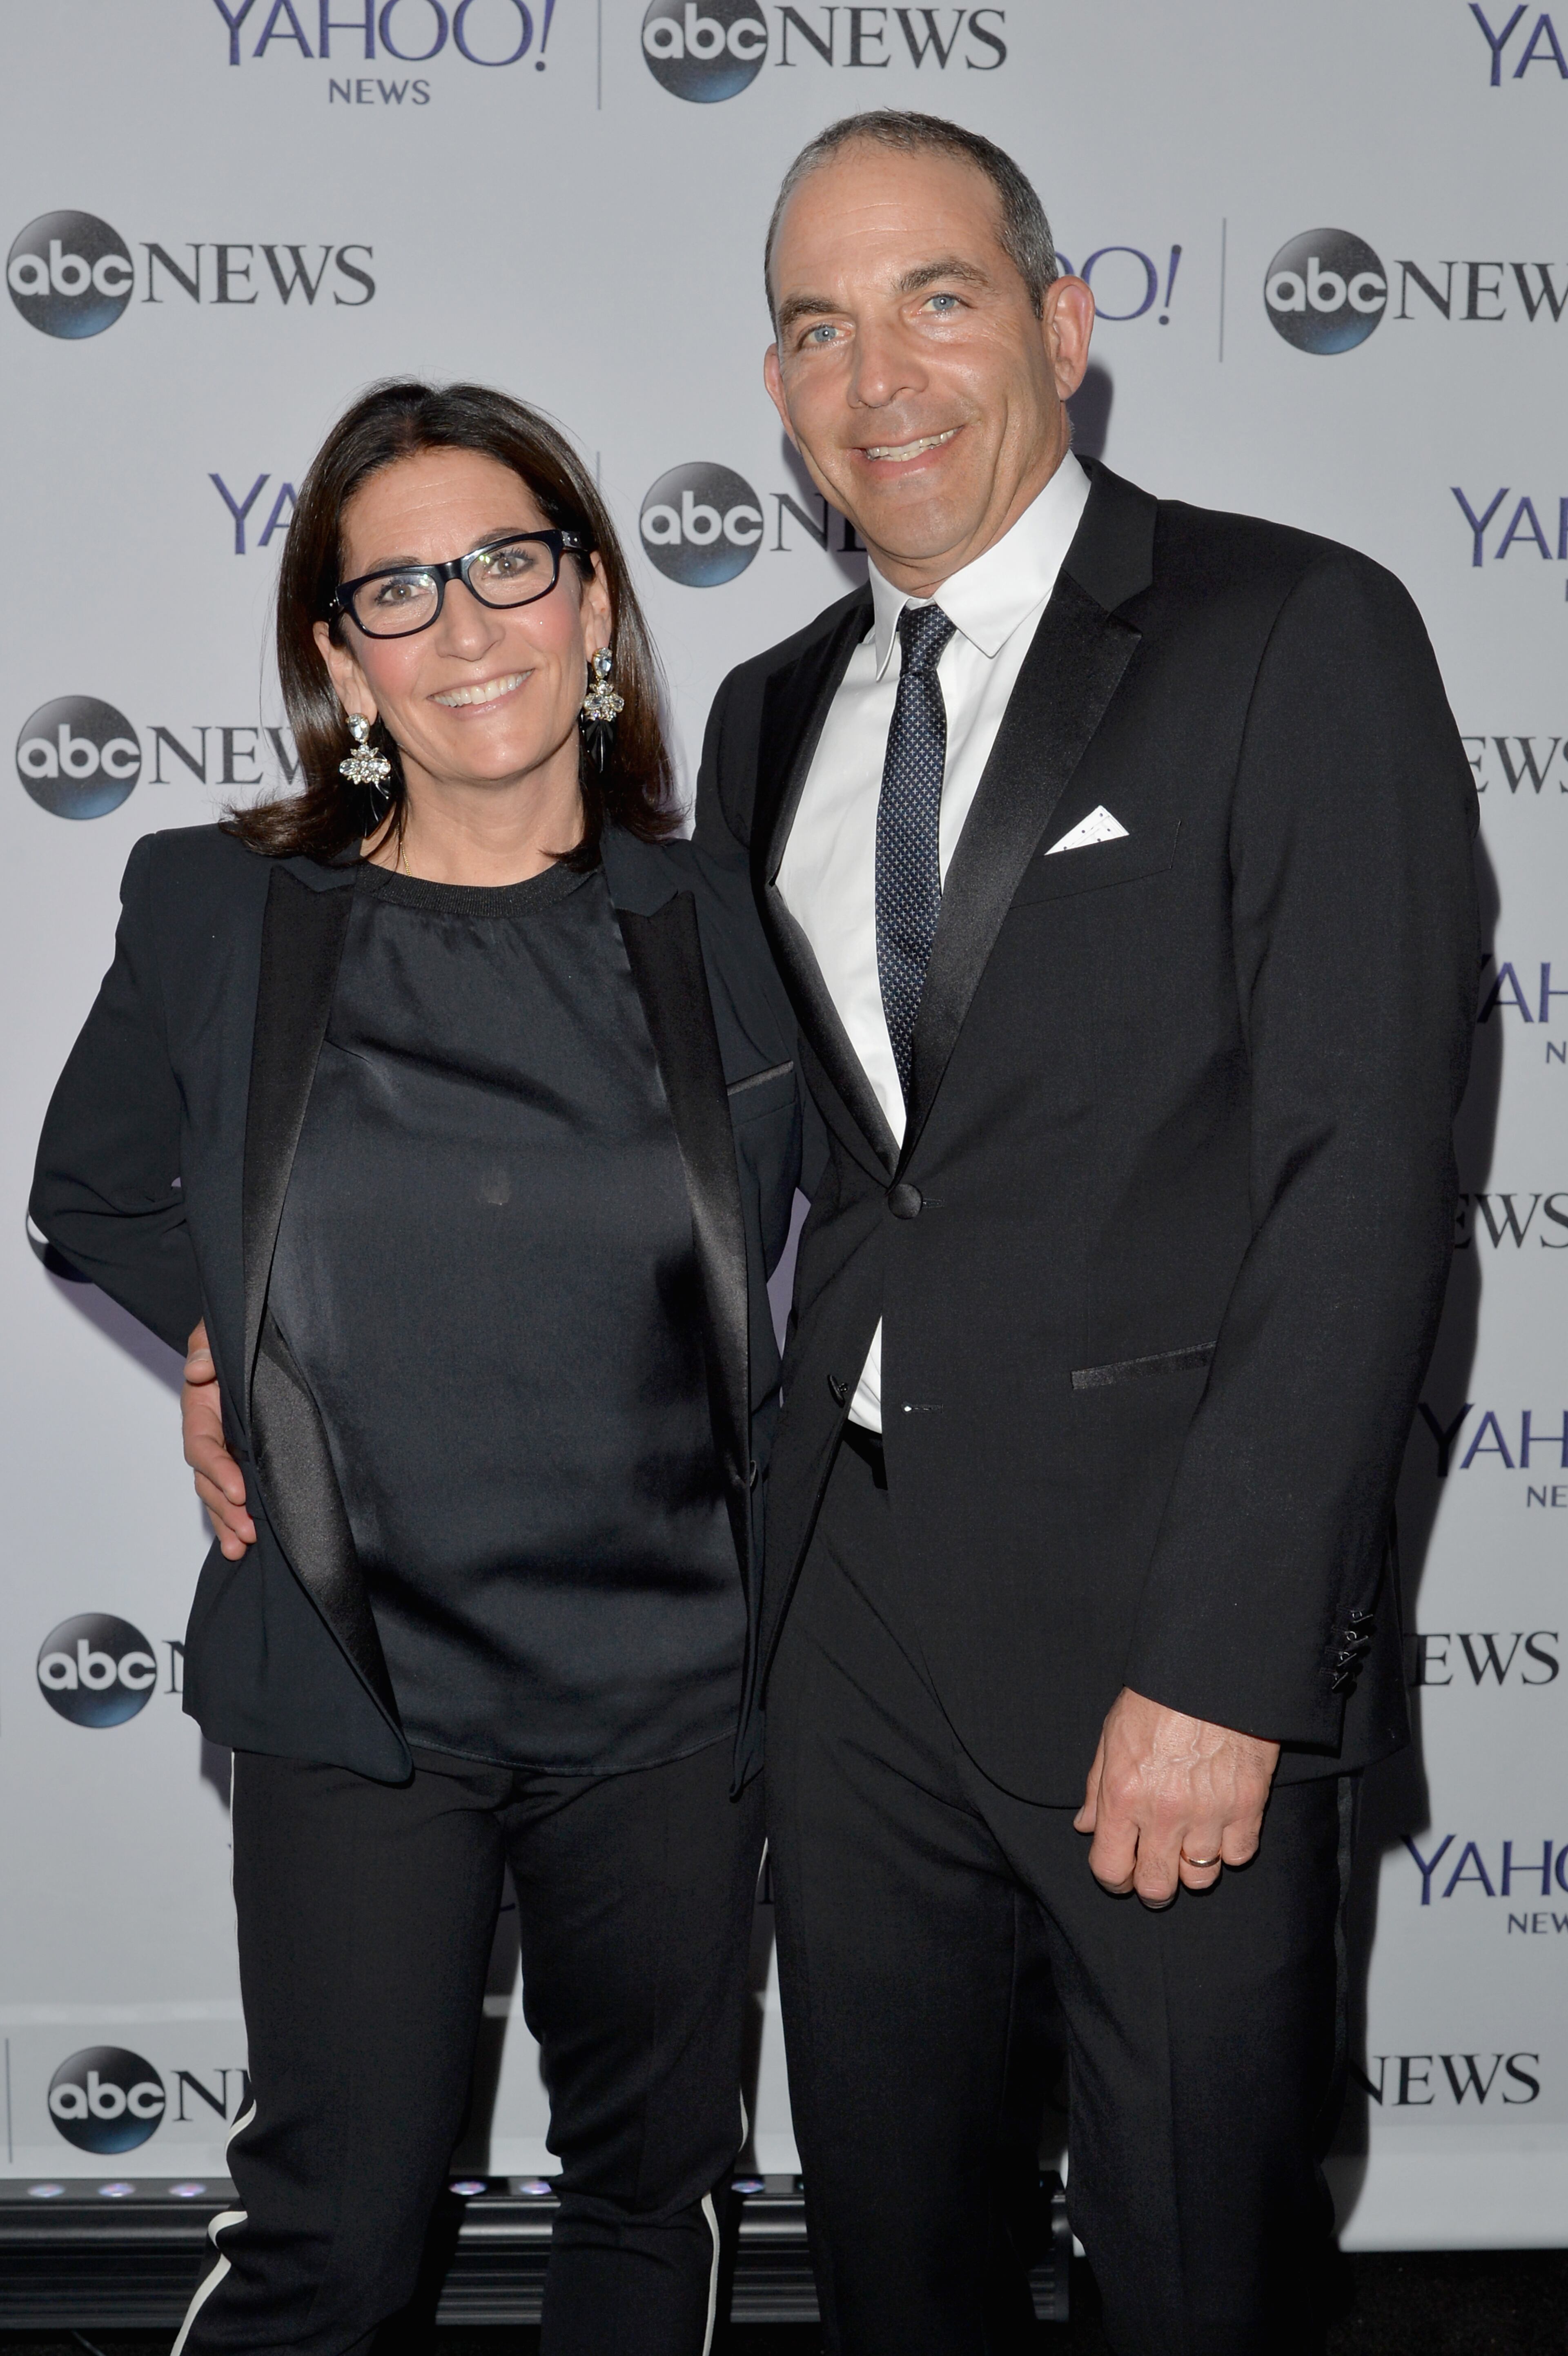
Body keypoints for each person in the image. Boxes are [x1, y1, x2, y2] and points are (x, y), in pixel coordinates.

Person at [693, 112, 1480, 2355]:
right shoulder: (764, 720)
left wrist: (1233, 1664)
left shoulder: (1291, 627)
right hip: (845, 1621)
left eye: (939, 298)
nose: (884, 375)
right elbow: (745, 1176)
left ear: (1062, 325)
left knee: (1195, 2275)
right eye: (820, 329)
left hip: (1168, 1631)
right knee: (901, 2271)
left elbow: (1366, 1179)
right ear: (778, 395)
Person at [30, 380, 807, 2356]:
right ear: (336, 657)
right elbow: (91, 1189)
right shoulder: (219, 909)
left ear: (596, 604)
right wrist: (223, 1342)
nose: (466, 626)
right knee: (335, 2242)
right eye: (398, 591)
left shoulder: (731, 922)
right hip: (354, 1678)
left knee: (653, 2203)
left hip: (674, 1683)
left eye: (507, 566)